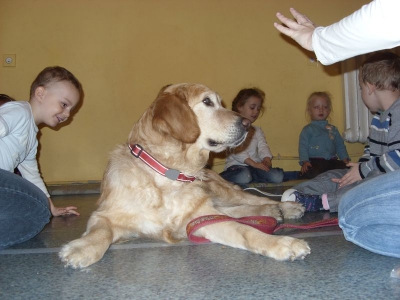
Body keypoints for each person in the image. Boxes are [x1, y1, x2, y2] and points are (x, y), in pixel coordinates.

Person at [274, 1, 400, 258]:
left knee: (355, 200)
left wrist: (365, 171)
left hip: (389, 176)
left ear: (370, 87)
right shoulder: (378, 118)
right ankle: (304, 192)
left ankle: (319, 202)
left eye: (361, 89)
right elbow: (372, 152)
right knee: (337, 172)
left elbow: (396, 157)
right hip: (377, 172)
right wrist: (359, 167)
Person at [0, 66, 82, 250]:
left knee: (38, 214)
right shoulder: (20, 112)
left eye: (71, 109)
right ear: (40, 94)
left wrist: (51, 207)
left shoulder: (31, 136)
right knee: (37, 212)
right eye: (64, 104)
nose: (68, 114)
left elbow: (32, 176)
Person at [219, 88, 285, 187]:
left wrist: (266, 159)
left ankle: (252, 179)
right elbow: (237, 151)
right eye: (252, 107)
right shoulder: (232, 129)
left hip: (255, 167)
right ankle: (219, 179)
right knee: (244, 176)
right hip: (237, 167)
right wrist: (253, 164)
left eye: (258, 109)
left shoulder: (257, 130)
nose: (256, 112)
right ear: (240, 107)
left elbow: (263, 145)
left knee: (277, 176)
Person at [298, 91, 349, 179]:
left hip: (331, 161)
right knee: (312, 172)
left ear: (329, 110)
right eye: (316, 107)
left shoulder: (333, 129)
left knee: (346, 170)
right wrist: (305, 161)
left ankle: (330, 178)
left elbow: (340, 145)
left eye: (325, 107)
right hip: (315, 161)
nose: (321, 110)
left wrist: (345, 159)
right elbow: (303, 147)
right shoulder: (308, 129)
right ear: (310, 111)